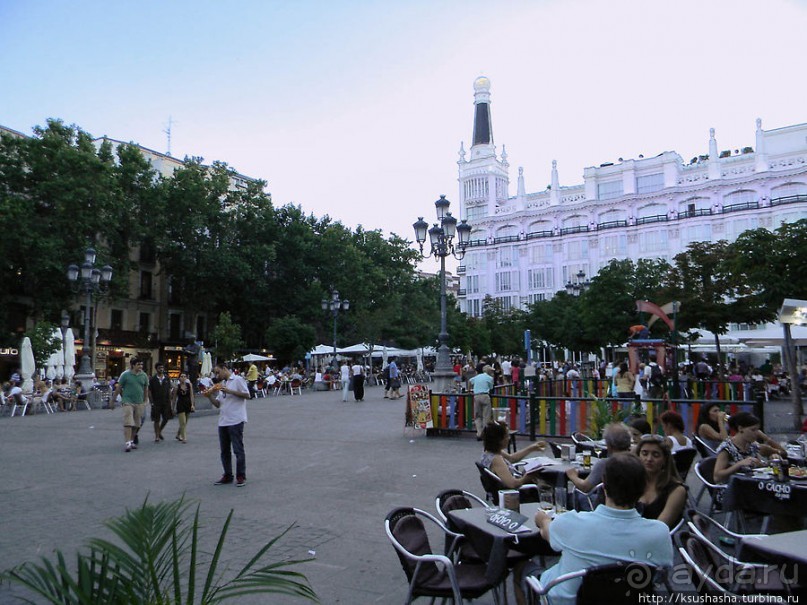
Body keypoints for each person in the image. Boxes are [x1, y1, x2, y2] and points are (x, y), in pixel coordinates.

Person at [532, 454, 673, 605]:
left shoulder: (572, 523)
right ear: (643, 488)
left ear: (604, 485)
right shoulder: (659, 533)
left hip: (563, 600)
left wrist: (543, 519)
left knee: (524, 569)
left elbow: (547, 533)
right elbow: (661, 572)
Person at [205, 362, 250, 487]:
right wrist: (209, 396)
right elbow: (218, 404)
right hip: (223, 421)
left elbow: (247, 395)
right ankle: (227, 474)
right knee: (224, 451)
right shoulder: (222, 384)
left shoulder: (237, 380)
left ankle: (241, 475)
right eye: (215, 373)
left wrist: (230, 391)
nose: (217, 375)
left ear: (225, 369)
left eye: (218, 372)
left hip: (236, 420)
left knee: (238, 449)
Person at [635, 435, 687, 528]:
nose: (649, 459)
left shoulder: (677, 490)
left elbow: (660, 528)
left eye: (656, 455)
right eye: (644, 453)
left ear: (665, 460)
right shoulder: (632, 482)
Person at [566, 423, 632, 494]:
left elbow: (585, 487)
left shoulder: (606, 464)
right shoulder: (635, 462)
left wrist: (573, 476)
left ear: (608, 444)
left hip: (604, 502)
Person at [480, 421, 547, 489]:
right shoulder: (496, 460)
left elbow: (512, 458)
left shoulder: (489, 452)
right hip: (516, 493)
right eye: (507, 436)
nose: (509, 438)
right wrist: (528, 476)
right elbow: (513, 484)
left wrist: (532, 448)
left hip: (515, 481)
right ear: (499, 440)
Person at [713, 412, 765, 482]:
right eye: (753, 430)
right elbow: (717, 477)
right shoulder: (727, 448)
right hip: (731, 488)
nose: (757, 433)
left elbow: (758, 465)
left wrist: (763, 463)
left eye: (757, 430)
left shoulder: (752, 446)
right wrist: (739, 465)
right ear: (740, 429)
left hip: (750, 484)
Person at [113, 358, 150, 452]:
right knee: (128, 422)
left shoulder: (144, 375)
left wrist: (145, 400)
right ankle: (128, 443)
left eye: (141, 364)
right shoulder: (125, 375)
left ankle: (132, 440)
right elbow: (119, 388)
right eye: (138, 364)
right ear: (133, 365)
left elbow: (146, 388)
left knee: (137, 424)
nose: (141, 366)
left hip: (139, 402)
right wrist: (112, 400)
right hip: (127, 401)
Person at [149, 362, 173, 442]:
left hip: (165, 401)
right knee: (156, 419)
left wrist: (170, 400)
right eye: (159, 368)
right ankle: (157, 436)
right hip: (156, 401)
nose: (161, 369)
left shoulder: (167, 378)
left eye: (162, 368)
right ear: (156, 369)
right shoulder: (153, 379)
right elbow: (149, 391)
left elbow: (169, 389)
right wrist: (151, 401)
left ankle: (159, 431)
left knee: (166, 418)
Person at [470, 365, 495, 439]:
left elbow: (470, 381)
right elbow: (491, 388)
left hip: (476, 396)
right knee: (486, 416)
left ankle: (479, 433)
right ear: (489, 371)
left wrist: (469, 390)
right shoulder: (490, 378)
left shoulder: (477, 376)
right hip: (485, 396)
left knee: (477, 416)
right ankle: (485, 433)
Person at [173, 371, 195, 443]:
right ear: (179, 378)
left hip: (188, 404)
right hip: (180, 405)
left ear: (186, 377)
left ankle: (178, 434)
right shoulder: (177, 387)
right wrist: (172, 408)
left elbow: (191, 395)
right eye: (181, 376)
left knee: (185, 422)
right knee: (182, 422)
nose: (183, 378)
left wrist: (192, 404)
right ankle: (184, 437)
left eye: (184, 376)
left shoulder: (189, 385)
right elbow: (174, 398)